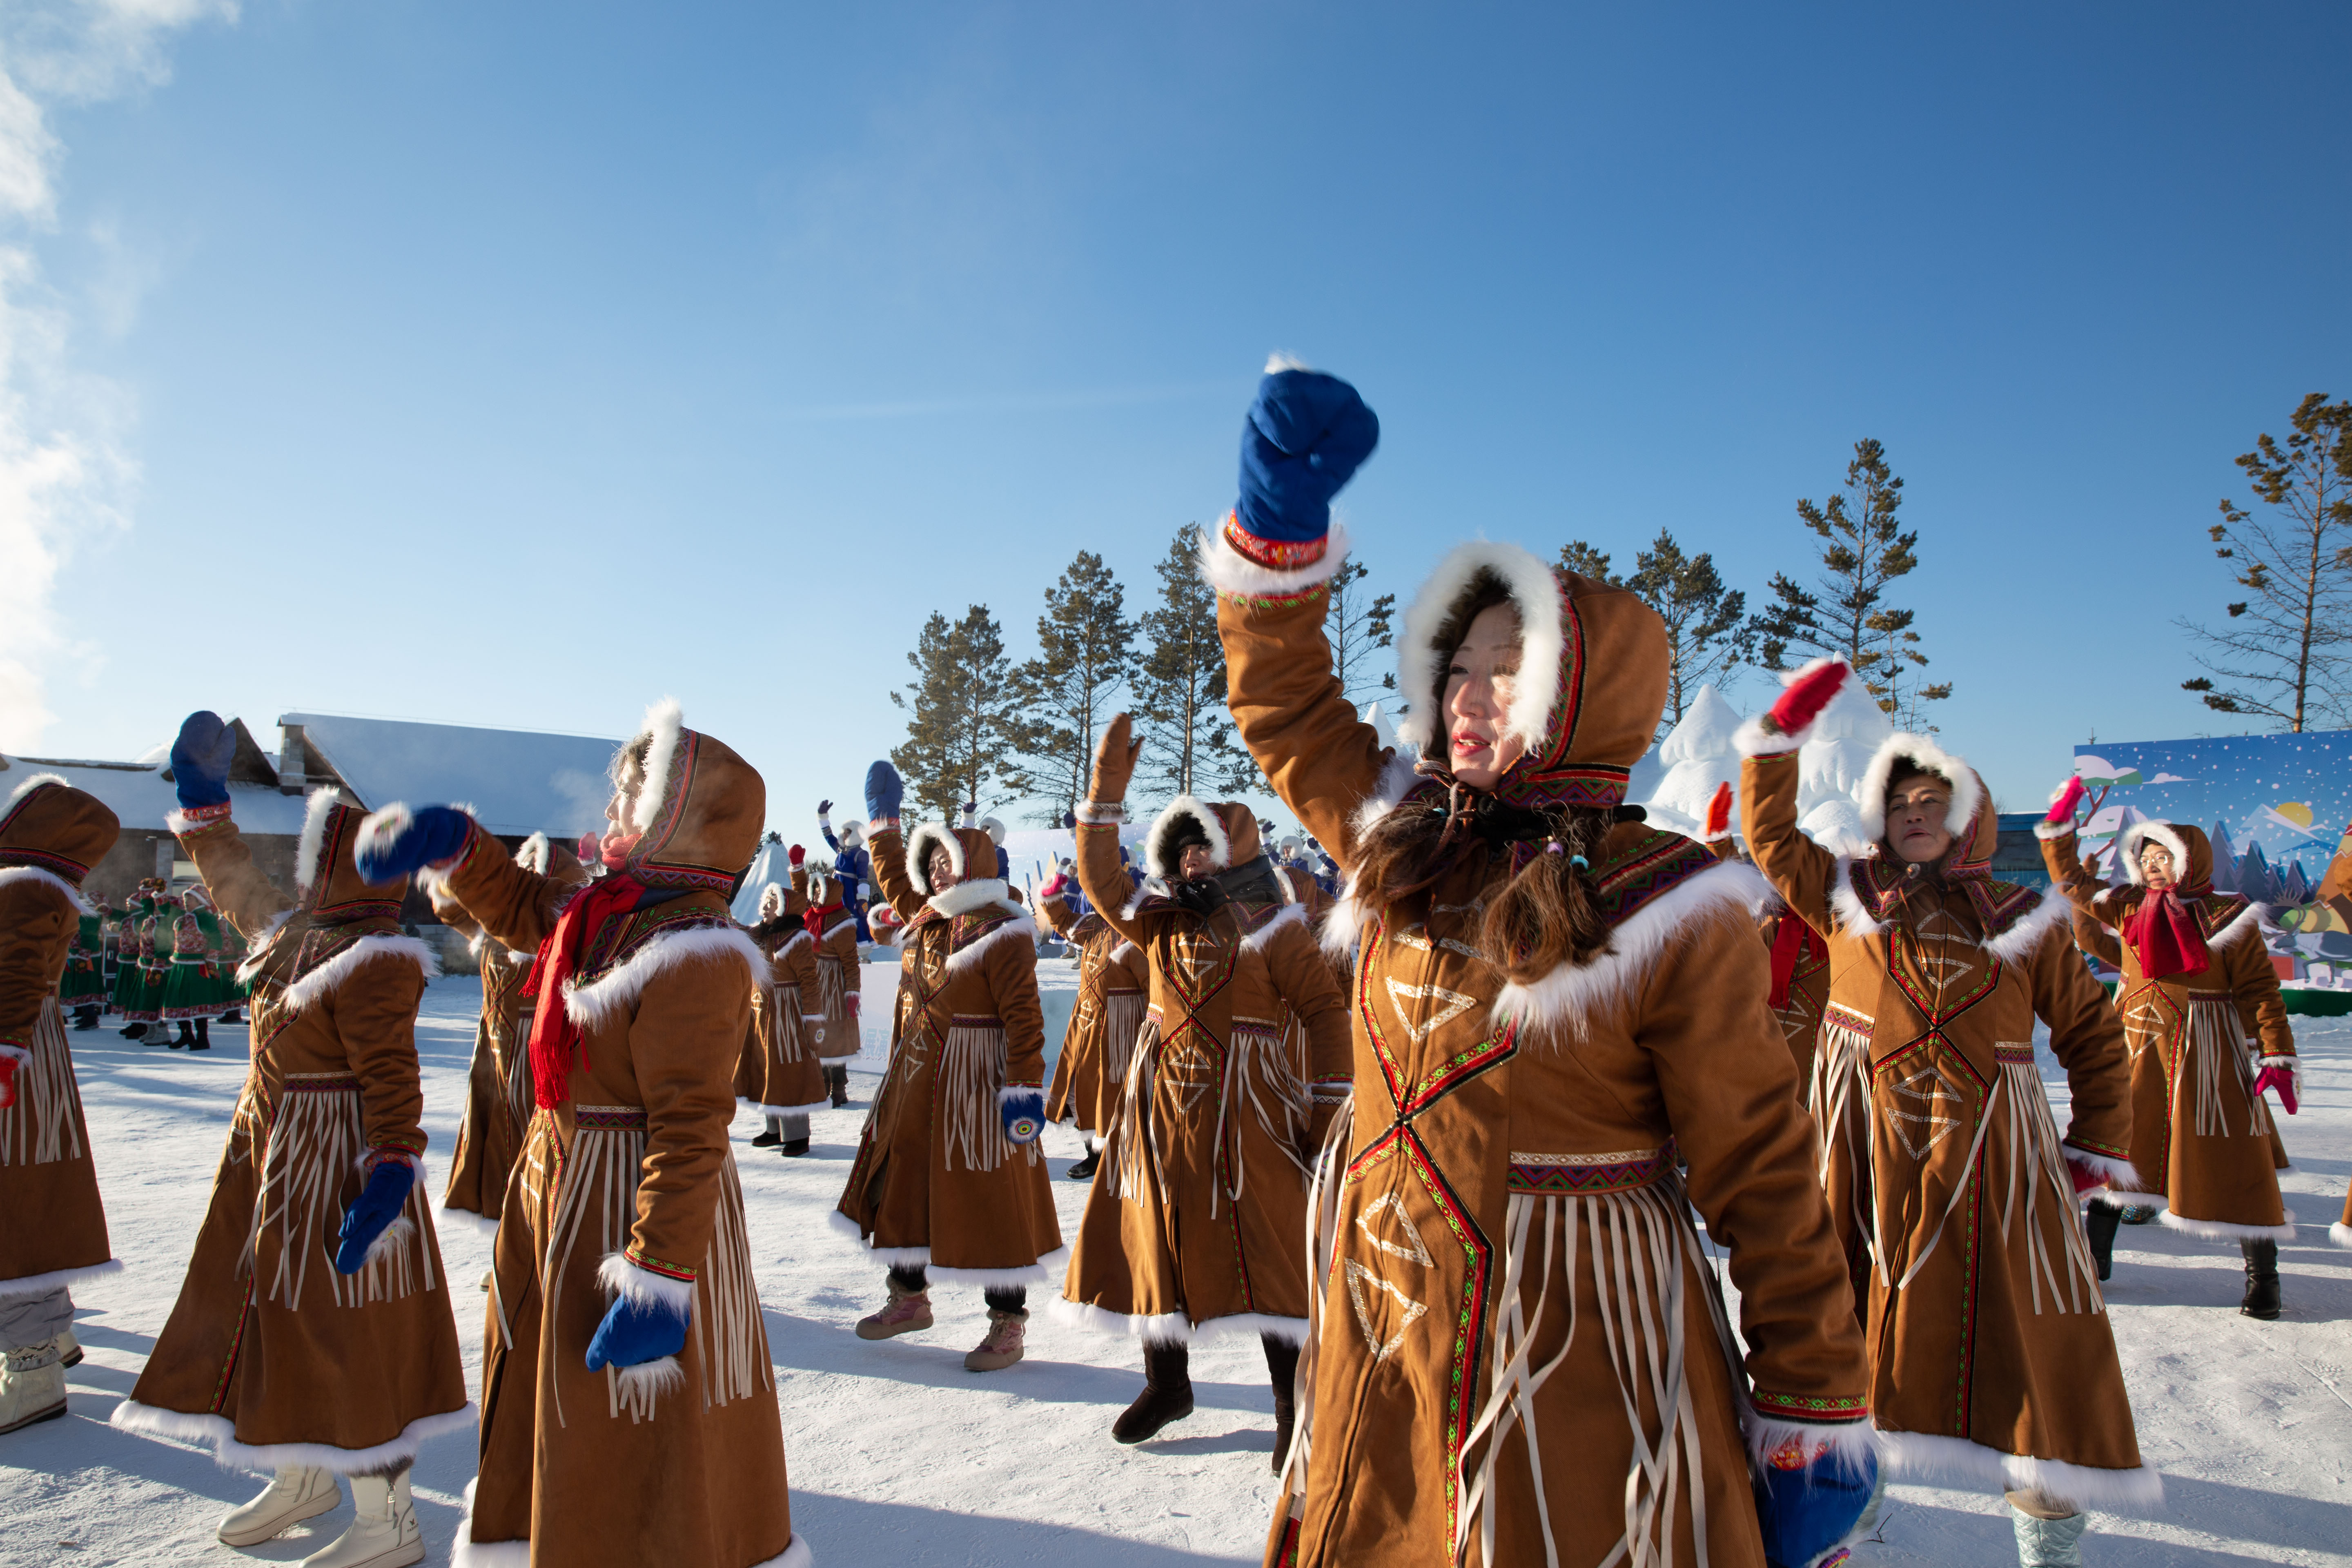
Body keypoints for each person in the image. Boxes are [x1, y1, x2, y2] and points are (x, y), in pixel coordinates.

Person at [1204, 362, 1873, 1568]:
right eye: (1457, 667)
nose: (1467, 694)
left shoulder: (1667, 897)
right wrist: (1277, 540)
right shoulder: (1396, 836)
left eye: (1507, 669)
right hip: (1389, 1307)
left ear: (1581, 692)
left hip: (1579, 1329)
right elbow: (1288, 703)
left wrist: (1813, 1408)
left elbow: (1764, 1168)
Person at [354, 698, 807, 1568]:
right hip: (561, 1185)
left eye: (629, 796)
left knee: (631, 1434)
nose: (609, 813)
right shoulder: (609, 911)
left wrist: (659, 1278)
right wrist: (458, 843)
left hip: (632, 1209)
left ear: (681, 816)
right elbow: (524, 904)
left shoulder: (698, 947)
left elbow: (691, 1129)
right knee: (551, 1394)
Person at [1741, 664, 2157, 1564]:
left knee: (2031, 1358)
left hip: (1998, 1162)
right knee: (1846, 1333)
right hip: (1862, 1149)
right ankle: (1836, 1519)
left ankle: (2047, 1538)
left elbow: (2092, 1035)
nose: (1916, 815)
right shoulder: (1847, 896)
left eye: (1936, 800)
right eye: (1901, 805)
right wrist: (1775, 746)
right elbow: (1768, 835)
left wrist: (2098, 1143)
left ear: (1973, 815)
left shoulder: (2028, 920)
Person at [115, 716, 468, 1568]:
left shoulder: (378, 954)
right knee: (276, 1317)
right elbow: (235, 887)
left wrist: (390, 1165)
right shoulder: (297, 934)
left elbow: (391, 1074)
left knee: (349, 1331)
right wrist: (205, 812)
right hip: (273, 1153)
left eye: (318, 857)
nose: (303, 873)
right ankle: (307, 1471)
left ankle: (391, 1518)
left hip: (339, 1166)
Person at [1059, 778, 1350, 1470]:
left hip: (1249, 1108)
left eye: (1206, 847)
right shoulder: (1155, 918)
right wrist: (1101, 806)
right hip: (1160, 1102)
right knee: (1156, 1235)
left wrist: (1325, 1105)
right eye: (1183, 847)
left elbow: (1326, 1013)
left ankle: (1293, 1405)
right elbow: (1100, 884)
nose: (1194, 860)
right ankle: (1168, 1383)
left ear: (1234, 853)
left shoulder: (1275, 926)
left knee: (1269, 1250)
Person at [831, 769, 1062, 1374]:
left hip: (978, 1079)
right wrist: (884, 821)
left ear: (975, 863)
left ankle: (1007, 1322)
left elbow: (1025, 1019)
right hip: (916, 1070)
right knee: (902, 1179)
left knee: (993, 1195)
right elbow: (888, 871)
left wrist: (1023, 1090)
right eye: (930, 862)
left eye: (947, 861)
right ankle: (909, 1298)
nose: (936, 872)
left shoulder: (1005, 929)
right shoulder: (928, 916)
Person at [2038, 792, 2299, 1315]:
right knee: (2116, 1146)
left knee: (2234, 1157)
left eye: (2165, 858)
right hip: (2135, 1046)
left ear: (2189, 860)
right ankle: (2093, 1261)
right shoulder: (2129, 905)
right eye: (2148, 859)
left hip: (2207, 1054)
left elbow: (2260, 991)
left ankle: (2262, 1279)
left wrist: (2276, 1054)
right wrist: (2059, 831)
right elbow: (2073, 884)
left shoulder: (2230, 916)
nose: (2155, 867)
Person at [0, 774, 122, 1435]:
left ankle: (33, 1367)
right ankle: (53, 1336)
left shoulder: (22, 886)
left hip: (12, 1060)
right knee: (29, 1200)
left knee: (13, 1211)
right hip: (26, 1056)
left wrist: (3, 1053)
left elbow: (15, 972)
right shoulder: (40, 885)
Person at [432, 832, 591, 1232]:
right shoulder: (494, 927)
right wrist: (447, 867)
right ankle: (504, 1241)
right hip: (496, 1051)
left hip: (540, 1051)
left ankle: (535, 1242)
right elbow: (452, 910)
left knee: (535, 1146)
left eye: (537, 874)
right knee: (497, 1145)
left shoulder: (556, 934)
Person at [1037, 867, 1148, 1183]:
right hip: (1086, 1022)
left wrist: (1149, 1031)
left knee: (1113, 1092)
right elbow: (1064, 924)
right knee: (1082, 1090)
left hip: (1120, 1027)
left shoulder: (1137, 931)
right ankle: (1093, 1155)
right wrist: (1053, 896)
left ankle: (1122, 1154)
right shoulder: (1095, 925)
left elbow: (1153, 986)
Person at [800, 855, 863, 1109]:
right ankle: (822, 1084)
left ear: (830, 894)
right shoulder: (810, 916)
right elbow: (794, 895)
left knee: (835, 1037)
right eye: (814, 892)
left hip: (834, 985)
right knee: (816, 1034)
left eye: (820, 892)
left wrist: (853, 993)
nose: (816, 897)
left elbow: (851, 960)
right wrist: (796, 870)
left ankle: (838, 1088)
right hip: (814, 980)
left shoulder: (842, 921)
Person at [159, 885, 223, 1050]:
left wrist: (210, 962)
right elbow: (166, 909)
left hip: (198, 967)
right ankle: (186, 1035)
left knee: (197, 1001)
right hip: (181, 965)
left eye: (190, 899)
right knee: (180, 1001)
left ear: (200, 900)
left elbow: (216, 939)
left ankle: (203, 1038)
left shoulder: (206, 917)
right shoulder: (185, 916)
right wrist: (159, 893)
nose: (186, 902)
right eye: (186, 899)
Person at [816, 799, 873, 940]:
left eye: (849, 832)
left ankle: (862, 951)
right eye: (844, 832)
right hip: (836, 888)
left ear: (856, 834)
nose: (845, 835)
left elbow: (863, 878)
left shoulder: (861, 854)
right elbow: (828, 836)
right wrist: (822, 816)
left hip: (850, 891)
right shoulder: (840, 849)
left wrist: (863, 899)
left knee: (855, 917)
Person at [59, 894, 107, 1031]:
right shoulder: (88, 915)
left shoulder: (89, 916)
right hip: (81, 956)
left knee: (86, 985)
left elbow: (88, 936)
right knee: (81, 985)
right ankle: (87, 1014)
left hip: (86, 958)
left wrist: (83, 956)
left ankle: (91, 1016)